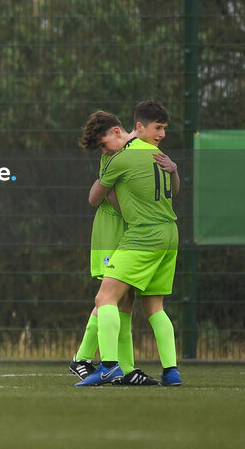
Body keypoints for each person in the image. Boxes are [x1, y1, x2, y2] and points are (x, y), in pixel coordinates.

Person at [77, 100, 182, 387]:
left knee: (105, 299)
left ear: (121, 130)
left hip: (140, 234)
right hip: (169, 233)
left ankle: (107, 366)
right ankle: (170, 371)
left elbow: (96, 198)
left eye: (162, 129)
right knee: (151, 306)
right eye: (158, 128)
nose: (161, 133)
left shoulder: (121, 158)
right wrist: (174, 170)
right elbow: (171, 191)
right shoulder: (157, 153)